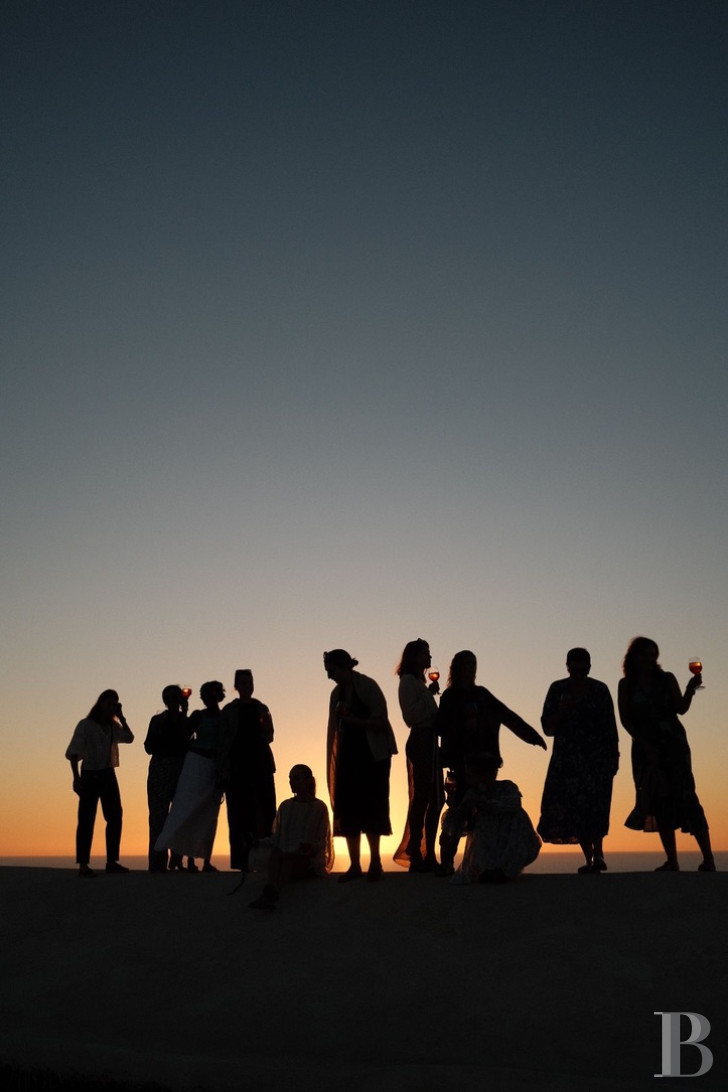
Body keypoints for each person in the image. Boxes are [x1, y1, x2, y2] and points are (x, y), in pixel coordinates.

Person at [436, 650, 546, 873]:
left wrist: (531, 736)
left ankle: (488, 862)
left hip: (486, 763)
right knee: (459, 809)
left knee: (486, 812)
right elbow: (441, 728)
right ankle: (447, 862)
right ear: (458, 668)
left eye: (474, 664)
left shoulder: (482, 695)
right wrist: (459, 733)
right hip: (461, 763)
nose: (472, 668)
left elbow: (507, 716)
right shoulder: (450, 696)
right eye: (467, 664)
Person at [617, 637, 715, 872]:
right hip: (644, 747)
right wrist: (643, 744)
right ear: (634, 657)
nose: (649, 659)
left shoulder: (667, 678)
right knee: (659, 800)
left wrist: (691, 689)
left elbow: (680, 709)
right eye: (644, 654)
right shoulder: (626, 684)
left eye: (653, 655)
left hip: (673, 745)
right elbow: (625, 719)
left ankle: (708, 859)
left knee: (687, 796)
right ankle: (672, 860)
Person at [537, 648, 619, 873]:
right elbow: (547, 727)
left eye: (582, 668)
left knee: (597, 806)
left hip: (597, 759)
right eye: (574, 668)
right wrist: (562, 712)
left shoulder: (600, 690)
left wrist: (614, 755)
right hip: (568, 759)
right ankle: (590, 858)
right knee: (575, 808)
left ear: (589, 667)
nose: (578, 673)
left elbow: (610, 726)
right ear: (568, 667)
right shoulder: (558, 689)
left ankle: (598, 855)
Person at [324, 649, 398, 882]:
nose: (329, 676)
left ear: (344, 666)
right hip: (347, 756)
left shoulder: (367, 686)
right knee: (348, 809)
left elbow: (380, 720)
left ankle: (375, 862)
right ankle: (355, 865)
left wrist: (354, 721)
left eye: (332, 670)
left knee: (372, 806)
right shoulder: (336, 693)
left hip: (372, 756)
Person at [155, 680, 225, 872]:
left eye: (211, 694)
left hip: (213, 766)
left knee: (209, 814)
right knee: (186, 808)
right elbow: (184, 735)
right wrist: (184, 712)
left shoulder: (224, 717)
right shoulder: (197, 716)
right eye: (205, 694)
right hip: (194, 764)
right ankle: (182, 858)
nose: (208, 698)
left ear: (218, 696)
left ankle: (205, 860)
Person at [441, 752, 541, 882]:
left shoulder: (507, 787)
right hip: (487, 839)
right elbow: (457, 825)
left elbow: (512, 805)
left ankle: (502, 869)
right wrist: (455, 803)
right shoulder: (473, 793)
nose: (468, 778)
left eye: (472, 774)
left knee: (513, 817)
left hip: (509, 834)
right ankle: (487, 869)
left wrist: (481, 804)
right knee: (482, 820)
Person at [65, 689, 134, 877]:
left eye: (115, 703)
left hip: (108, 774)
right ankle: (83, 864)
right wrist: (76, 778)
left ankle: (112, 861)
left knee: (115, 816)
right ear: (101, 704)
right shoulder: (86, 725)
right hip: (90, 774)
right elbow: (73, 752)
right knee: (86, 819)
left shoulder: (113, 727)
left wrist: (122, 717)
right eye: (110, 703)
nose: (113, 706)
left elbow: (129, 738)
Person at [248, 765, 334, 910]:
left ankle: (271, 892)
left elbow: (323, 840)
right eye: (290, 778)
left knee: (288, 857)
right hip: (283, 859)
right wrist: (257, 842)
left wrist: (311, 847)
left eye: (296, 778)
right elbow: (277, 838)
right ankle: (271, 891)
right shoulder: (285, 806)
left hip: (307, 862)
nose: (291, 782)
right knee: (277, 853)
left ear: (308, 781)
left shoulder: (320, 807)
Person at [392, 638, 443, 872]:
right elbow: (411, 716)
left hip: (430, 741)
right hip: (421, 740)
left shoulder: (418, 684)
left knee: (435, 797)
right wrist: (429, 702)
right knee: (425, 796)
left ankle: (425, 851)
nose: (429, 658)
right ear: (414, 657)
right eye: (425, 653)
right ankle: (418, 851)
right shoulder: (408, 682)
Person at [219, 669, 276, 873]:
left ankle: (266, 859)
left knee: (266, 811)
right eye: (243, 682)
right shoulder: (229, 711)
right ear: (237, 686)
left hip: (261, 764)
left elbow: (269, 736)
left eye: (249, 682)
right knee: (238, 815)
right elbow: (223, 740)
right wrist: (224, 768)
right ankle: (242, 862)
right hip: (237, 767)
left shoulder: (262, 707)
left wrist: (266, 726)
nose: (247, 686)